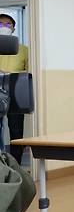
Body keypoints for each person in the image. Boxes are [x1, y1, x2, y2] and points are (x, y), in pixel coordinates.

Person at [0, 14, 29, 164]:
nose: (4, 27)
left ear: (13, 28)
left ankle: (16, 164)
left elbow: (29, 71)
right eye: (0, 24)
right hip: (0, 90)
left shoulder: (23, 49)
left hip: (16, 91)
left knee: (16, 130)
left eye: (7, 25)